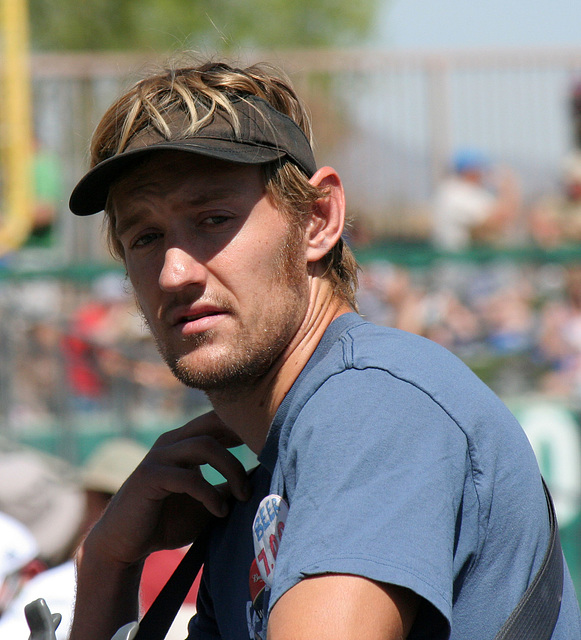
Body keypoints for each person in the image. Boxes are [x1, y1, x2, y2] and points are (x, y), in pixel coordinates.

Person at [67, 60, 581, 640]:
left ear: (318, 219)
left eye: (213, 219)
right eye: (146, 237)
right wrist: (106, 562)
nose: (174, 272)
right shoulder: (256, 489)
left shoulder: (372, 405)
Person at [432, 148, 520, 251]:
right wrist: (507, 188)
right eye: (480, 169)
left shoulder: (474, 192)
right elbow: (497, 219)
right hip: (459, 262)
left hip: (471, 261)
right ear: (470, 170)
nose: (483, 174)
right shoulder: (454, 193)